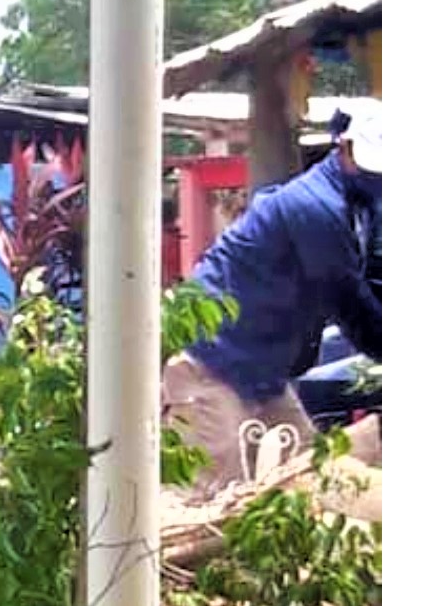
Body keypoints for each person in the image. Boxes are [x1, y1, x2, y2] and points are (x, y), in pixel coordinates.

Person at [161, 98, 382, 497]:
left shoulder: (357, 206)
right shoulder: (315, 208)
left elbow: (375, 277)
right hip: (213, 364)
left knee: (310, 476)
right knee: (205, 499)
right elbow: (349, 302)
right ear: (345, 148)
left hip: (262, 372)